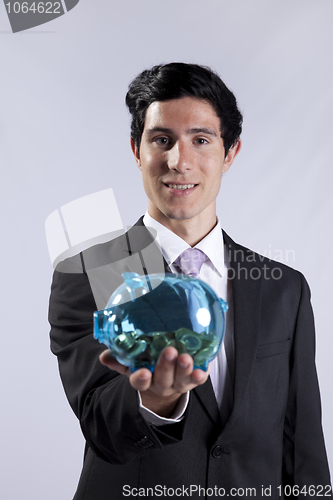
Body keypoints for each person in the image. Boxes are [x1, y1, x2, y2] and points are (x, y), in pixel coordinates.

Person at [49, 63, 331, 499]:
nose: (179, 161)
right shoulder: (90, 273)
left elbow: (303, 443)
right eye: (161, 140)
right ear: (136, 150)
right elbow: (102, 425)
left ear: (230, 153)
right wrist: (157, 400)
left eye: (201, 140)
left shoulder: (284, 287)